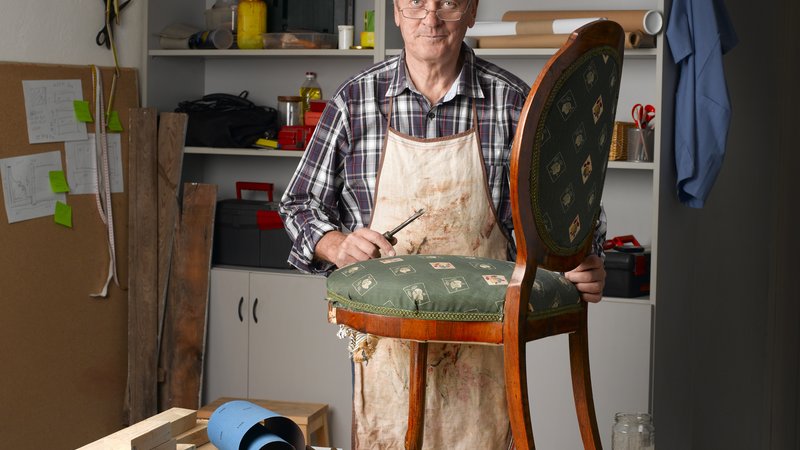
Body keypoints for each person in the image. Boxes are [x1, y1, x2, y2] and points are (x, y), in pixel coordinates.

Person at [279, 0, 606, 447]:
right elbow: (299, 203)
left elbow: (574, 217)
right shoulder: (355, 101)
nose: (429, 19)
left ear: (471, 12)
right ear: (395, 12)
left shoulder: (512, 104)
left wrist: (582, 261)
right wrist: (336, 244)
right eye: (415, 3)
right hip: (387, 345)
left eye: (448, 3)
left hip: (485, 345)